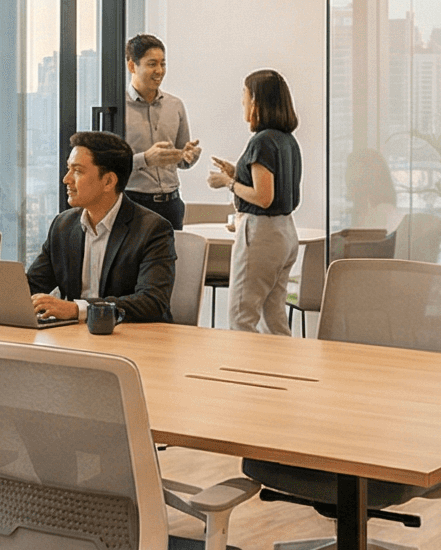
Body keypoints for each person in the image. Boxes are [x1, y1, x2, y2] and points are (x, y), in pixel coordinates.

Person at [26, 130, 179, 324]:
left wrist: (77, 309)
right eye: (68, 169)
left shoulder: (153, 229)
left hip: (132, 339)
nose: (66, 179)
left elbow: (152, 302)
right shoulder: (62, 225)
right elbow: (32, 286)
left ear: (108, 181)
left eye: (78, 171)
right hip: (74, 337)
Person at [207, 69, 301, 334]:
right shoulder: (286, 141)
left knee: (241, 315)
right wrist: (237, 172)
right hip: (285, 233)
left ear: (257, 102)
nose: (242, 103)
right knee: (274, 316)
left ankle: (248, 372)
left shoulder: (261, 141)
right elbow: (273, 187)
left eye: (245, 97)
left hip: (261, 234)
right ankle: (282, 371)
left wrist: (228, 183)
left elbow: (263, 197)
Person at [121, 34, 198, 233]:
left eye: (163, 64)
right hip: (132, 203)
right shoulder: (118, 109)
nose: (159, 71)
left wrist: (188, 156)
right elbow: (107, 163)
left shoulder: (175, 105)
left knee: (170, 264)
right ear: (132, 66)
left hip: (171, 205)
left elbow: (182, 159)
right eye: (152, 64)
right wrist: (145, 159)